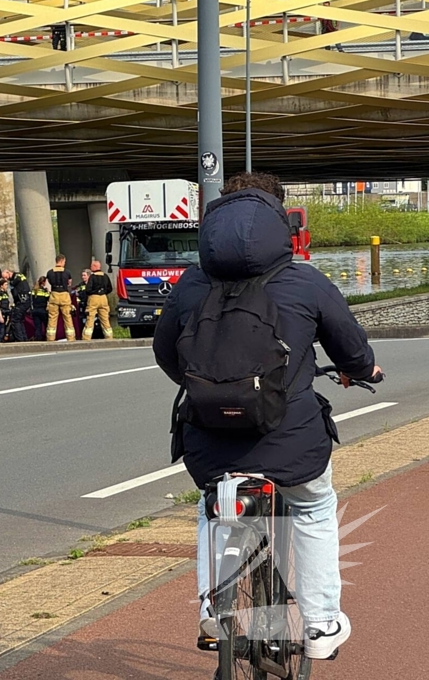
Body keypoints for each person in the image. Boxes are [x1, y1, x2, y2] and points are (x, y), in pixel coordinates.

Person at [152, 171, 381, 661]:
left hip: (210, 441)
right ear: (281, 221)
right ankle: (320, 624)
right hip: (291, 441)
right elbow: (352, 348)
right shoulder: (304, 278)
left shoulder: (191, 283)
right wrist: (361, 370)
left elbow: (166, 353)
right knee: (314, 507)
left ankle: (215, 610)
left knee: (213, 507)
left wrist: (209, 388)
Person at [45, 254, 75, 341]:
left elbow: (48, 284)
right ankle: (71, 338)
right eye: (64, 262)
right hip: (64, 295)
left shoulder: (49, 272)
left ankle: (50, 338)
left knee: (52, 318)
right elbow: (69, 283)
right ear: (62, 261)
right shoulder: (67, 272)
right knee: (67, 317)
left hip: (54, 295)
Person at [82, 261, 113, 340]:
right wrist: (103, 292)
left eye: (91, 266)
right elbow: (110, 288)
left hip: (93, 299)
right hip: (103, 298)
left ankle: (86, 338)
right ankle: (109, 337)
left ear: (95, 267)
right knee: (105, 319)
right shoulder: (105, 276)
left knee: (90, 318)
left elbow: (88, 289)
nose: (90, 267)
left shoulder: (92, 277)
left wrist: (92, 293)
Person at [3, 270, 32, 342]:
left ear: (8, 272)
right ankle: (24, 339)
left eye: (5, 277)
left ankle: (20, 339)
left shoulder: (18, 276)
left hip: (23, 301)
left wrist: (11, 283)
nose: (6, 279)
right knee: (20, 320)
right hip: (20, 302)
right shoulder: (13, 281)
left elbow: (16, 281)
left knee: (15, 320)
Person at [30, 276, 50, 340]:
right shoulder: (44, 291)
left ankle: (38, 338)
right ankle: (47, 338)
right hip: (43, 310)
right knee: (47, 325)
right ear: (43, 282)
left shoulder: (34, 291)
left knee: (38, 327)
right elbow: (49, 299)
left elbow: (31, 299)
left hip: (35, 310)